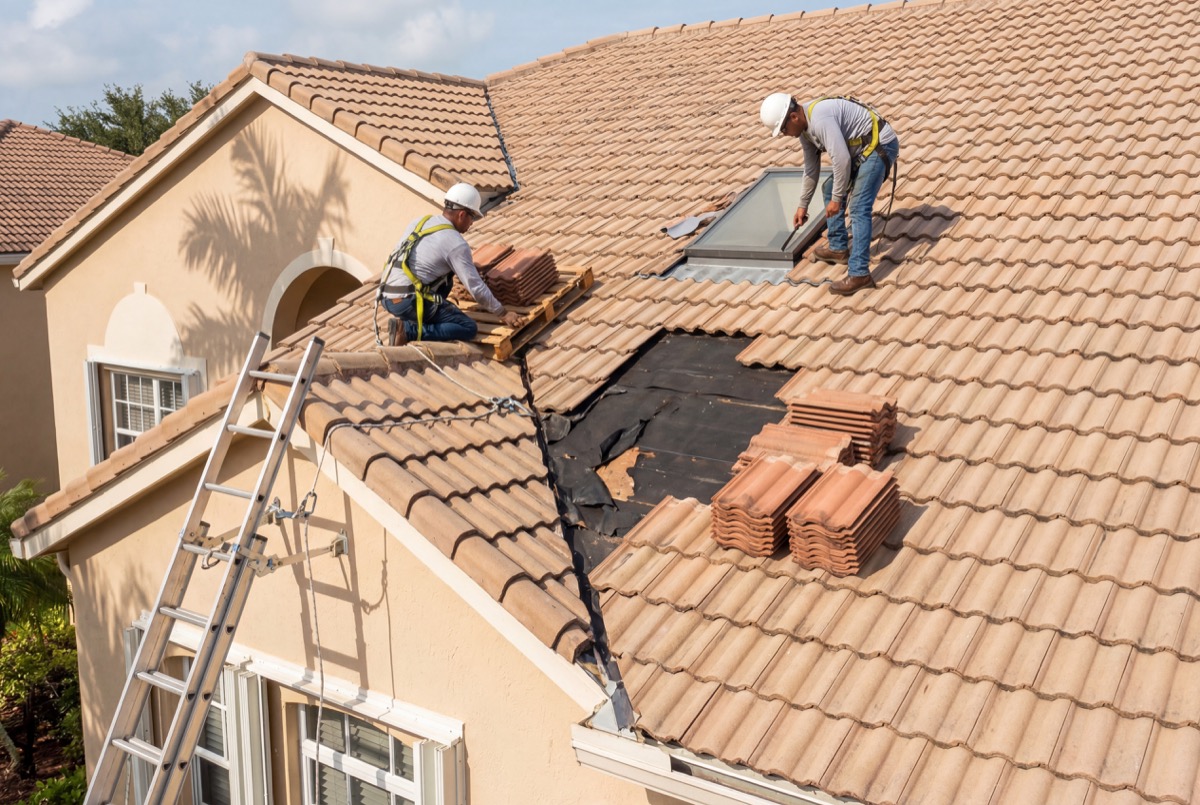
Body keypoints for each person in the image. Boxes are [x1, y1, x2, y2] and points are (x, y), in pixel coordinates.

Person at [760, 93, 900, 295]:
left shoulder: (820, 119)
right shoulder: (805, 130)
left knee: (859, 207)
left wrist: (837, 200)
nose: (784, 134)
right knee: (829, 187)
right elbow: (811, 169)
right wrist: (802, 205)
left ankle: (860, 273)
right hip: (861, 150)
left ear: (793, 118)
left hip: (879, 146)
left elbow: (841, 160)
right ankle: (838, 248)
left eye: (783, 129)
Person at [381, 182, 522, 343]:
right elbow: (474, 286)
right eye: (472, 217)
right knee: (468, 328)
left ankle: (419, 318)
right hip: (408, 302)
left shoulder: (420, 222)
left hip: (387, 296)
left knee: (447, 274)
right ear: (462, 214)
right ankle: (408, 331)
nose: (472, 223)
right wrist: (503, 313)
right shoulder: (455, 244)